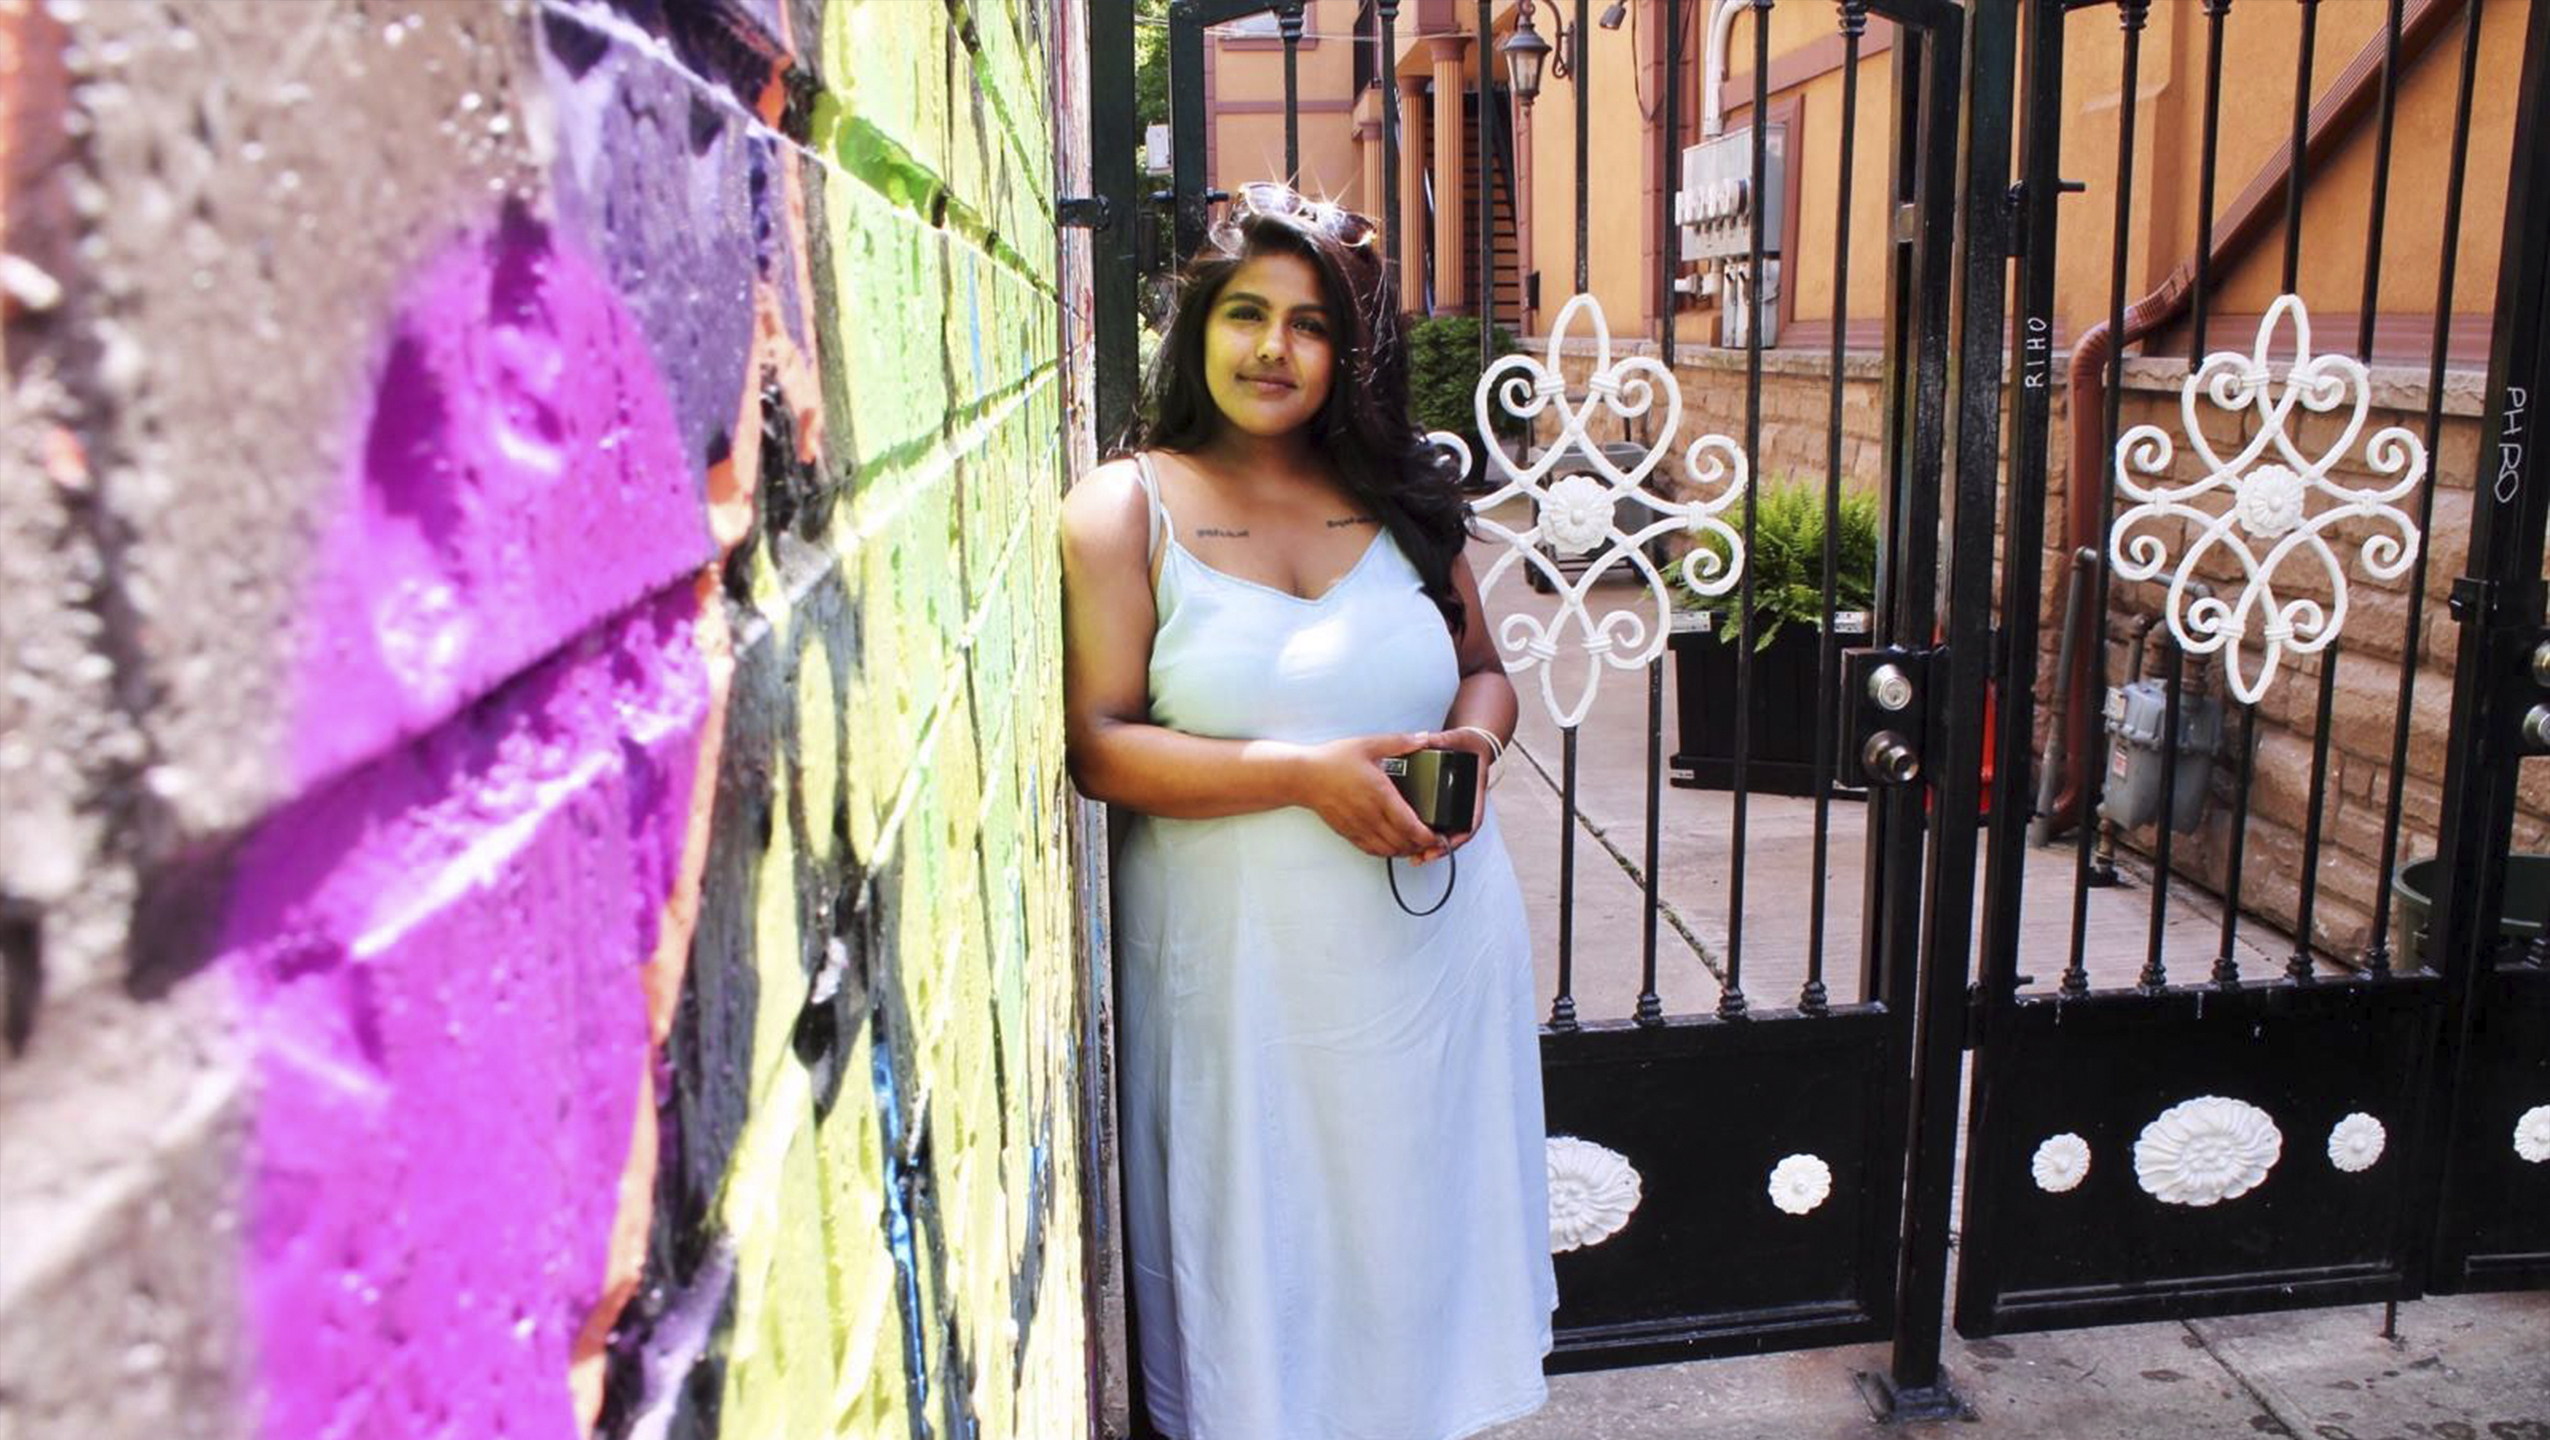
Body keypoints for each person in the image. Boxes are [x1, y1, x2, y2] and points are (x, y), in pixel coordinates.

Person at [1060, 182, 1555, 1440]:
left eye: (1310, 324)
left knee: (1413, 1250)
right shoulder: (1127, 508)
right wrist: (1302, 774)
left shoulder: (1402, 500)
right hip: (1241, 978)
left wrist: (1474, 744)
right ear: (1199, 327)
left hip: (1428, 954)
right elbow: (1099, 747)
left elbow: (1486, 670)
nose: (1272, 348)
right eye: (1245, 314)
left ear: (1350, 353)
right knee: (1262, 1263)